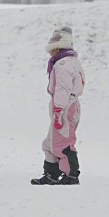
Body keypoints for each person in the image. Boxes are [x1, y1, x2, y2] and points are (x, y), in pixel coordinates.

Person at [31, 27, 85, 185]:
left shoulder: (62, 64)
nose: (49, 53)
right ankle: (51, 173)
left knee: (62, 142)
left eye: (51, 49)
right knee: (50, 143)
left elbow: (63, 88)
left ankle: (71, 175)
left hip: (64, 106)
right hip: (69, 104)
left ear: (57, 47)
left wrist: (59, 111)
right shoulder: (72, 61)